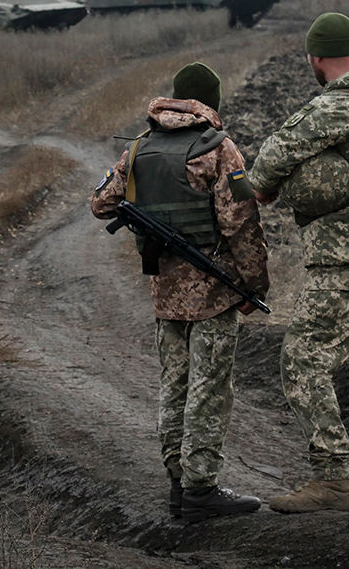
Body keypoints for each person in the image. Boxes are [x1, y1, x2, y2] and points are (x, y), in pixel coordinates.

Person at [247, 12, 349, 515]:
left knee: (302, 359)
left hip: (346, 254)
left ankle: (333, 477)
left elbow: (273, 157)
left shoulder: (340, 104)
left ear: (317, 58)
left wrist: (265, 187)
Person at [91, 63, 270, 522]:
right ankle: (201, 488)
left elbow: (100, 204)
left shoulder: (140, 147)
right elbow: (241, 223)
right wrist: (254, 283)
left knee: (174, 386)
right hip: (214, 293)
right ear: (212, 101)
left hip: (166, 292)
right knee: (208, 389)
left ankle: (179, 482)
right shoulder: (217, 147)